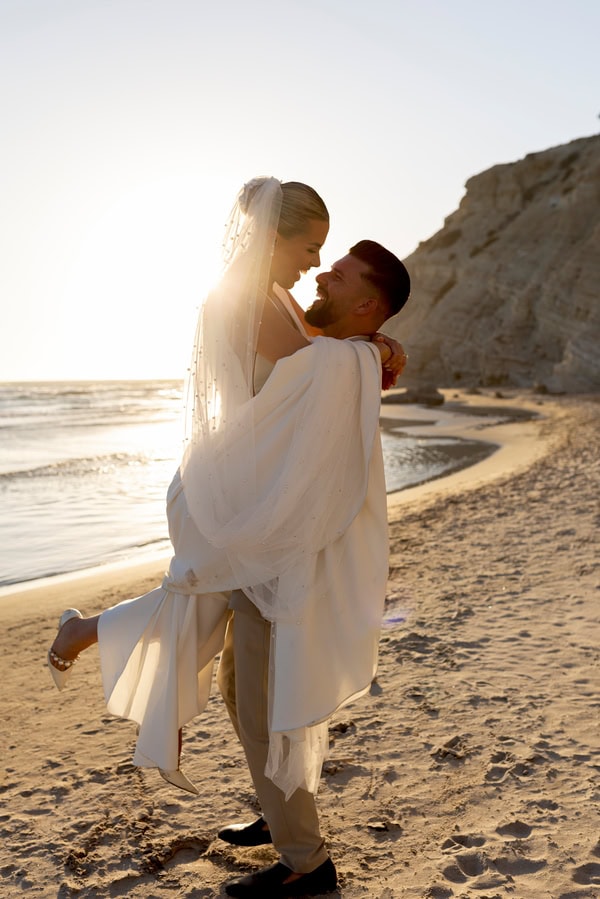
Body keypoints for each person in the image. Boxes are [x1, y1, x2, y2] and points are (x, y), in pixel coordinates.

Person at [47, 177, 410, 898]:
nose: (314, 264)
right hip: (257, 513)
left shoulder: (267, 300)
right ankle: (290, 835)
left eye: (324, 258)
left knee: (250, 679)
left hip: (267, 518)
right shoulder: (244, 300)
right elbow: (315, 368)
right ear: (273, 235)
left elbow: (315, 364)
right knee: (231, 658)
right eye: (310, 248)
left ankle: (304, 859)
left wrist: (370, 349)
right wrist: (372, 352)